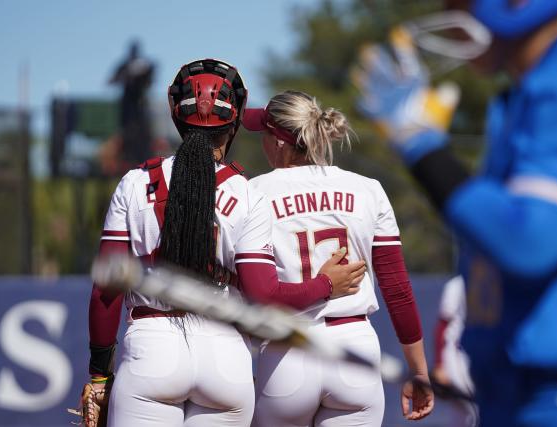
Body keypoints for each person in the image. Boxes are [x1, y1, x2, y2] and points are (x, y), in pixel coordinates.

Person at [86, 59, 366, 427]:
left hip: (150, 350)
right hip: (225, 358)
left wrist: (99, 376)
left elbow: (107, 290)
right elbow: (262, 295)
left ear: (175, 115)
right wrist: (325, 284)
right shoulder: (247, 193)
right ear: (233, 125)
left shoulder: (135, 183)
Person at [355, 1, 557, 425]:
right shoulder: (533, 87)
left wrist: (424, 149)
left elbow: (529, 241)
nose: (454, 13)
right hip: (511, 389)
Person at [242, 90, 434, 427]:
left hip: (287, 351)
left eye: (265, 135)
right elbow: (397, 289)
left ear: (280, 142)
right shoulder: (368, 188)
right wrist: (419, 370)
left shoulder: (253, 191)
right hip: (355, 349)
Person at [432, 275, 476, 427]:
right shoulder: (457, 284)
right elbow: (442, 326)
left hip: (481, 356)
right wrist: (439, 365)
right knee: (468, 409)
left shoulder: (495, 277)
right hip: (457, 356)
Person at [108, 41, 155, 167]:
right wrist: (127, 74)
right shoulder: (124, 65)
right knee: (127, 134)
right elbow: (111, 80)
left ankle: (144, 159)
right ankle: (126, 158)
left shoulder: (144, 64)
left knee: (144, 135)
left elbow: (150, 79)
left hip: (140, 106)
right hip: (128, 108)